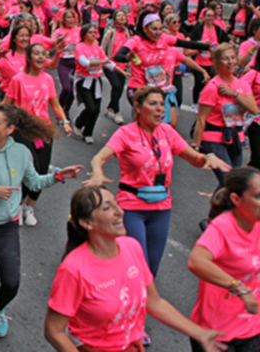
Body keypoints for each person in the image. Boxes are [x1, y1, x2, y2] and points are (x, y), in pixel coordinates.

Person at [44, 185, 224, 352]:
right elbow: (54, 331)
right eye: (107, 208)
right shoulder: (73, 269)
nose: (119, 212)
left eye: (116, 203)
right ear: (87, 223)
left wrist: (199, 333)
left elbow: (155, 302)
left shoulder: (132, 247)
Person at [0, 104, 82, 341]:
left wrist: (58, 176)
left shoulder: (22, 153)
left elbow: (33, 182)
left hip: (6, 226)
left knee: (12, 282)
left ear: (10, 129)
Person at [85, 86, 230, 280]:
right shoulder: (125, 133)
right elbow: (99, 158)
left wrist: (208, 158)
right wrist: (97, 173)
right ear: (138, 107)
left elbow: (194, 158)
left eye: (162, 104)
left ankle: (138, 304)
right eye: (153, 104)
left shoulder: (167, 132)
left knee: (151, 270)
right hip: (132, 206)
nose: (160, 109)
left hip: (162, 207)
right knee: (136, 265)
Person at [188, 167, 260, 352]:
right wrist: (240, 288)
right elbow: (197, 261)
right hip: (217, 331)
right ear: (237, 199)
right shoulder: (222, 228)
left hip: (252, 326)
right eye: (258, 196)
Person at [2, 43, 73, 226]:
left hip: (44, 131)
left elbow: (55, 104)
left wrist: (64, 121)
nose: (41, 57)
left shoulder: (48, 79)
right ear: (29, 57)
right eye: (36, 54)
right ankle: (17, 204)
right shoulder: (18, 79)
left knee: (42, 171)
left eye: (44, 54)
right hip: (23, 131)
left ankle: (29, 207)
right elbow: (6, 105)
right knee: (28, 170)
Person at [193, 43, 259, 229]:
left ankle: (214, 219)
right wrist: (196, 148)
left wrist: (234, 94)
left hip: (235, 138)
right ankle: (216, 221)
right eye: (226, 59)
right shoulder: (212, 87)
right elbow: (201, 119)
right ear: (216, 62)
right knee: (226, 180)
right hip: (213, 139)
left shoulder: (242, 85)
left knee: (233, 184)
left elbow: (253, 109)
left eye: (233, 58)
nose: (230, 62)